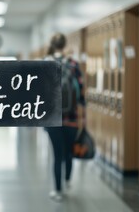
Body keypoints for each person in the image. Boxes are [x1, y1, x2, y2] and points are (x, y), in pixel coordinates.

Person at [45, 33, 86, 202]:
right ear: (64, 45)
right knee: (69, 151)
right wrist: (83, 116)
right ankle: (68, 179)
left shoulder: (45, 64)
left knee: (57, 155)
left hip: (52, 118)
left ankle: (57, 190)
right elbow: (81, 91)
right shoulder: (73, 64)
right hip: (72, 117)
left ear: (52, 45)